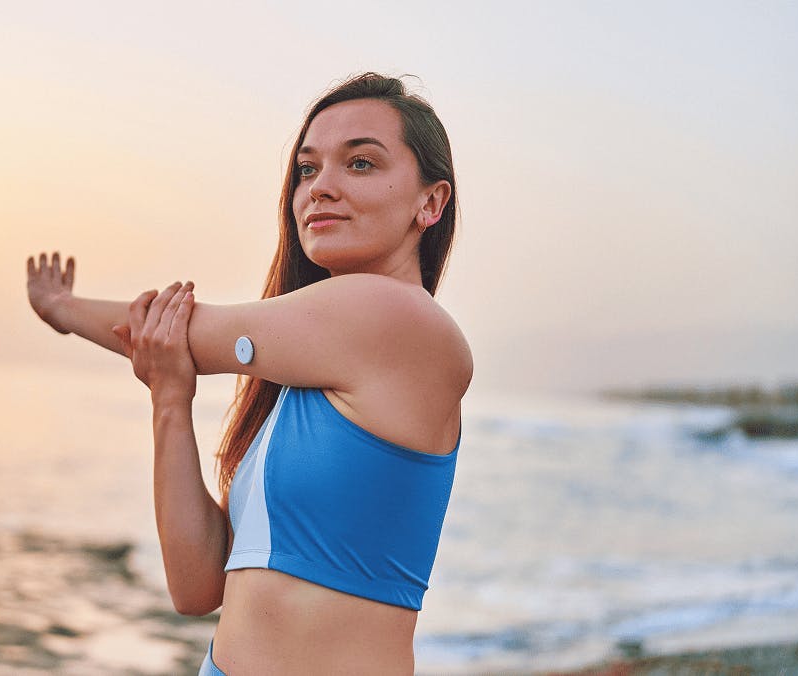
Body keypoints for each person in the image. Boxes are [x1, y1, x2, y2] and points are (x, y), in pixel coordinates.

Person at [26, 72, 471, 675]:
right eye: (307, 170)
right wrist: (169, 400)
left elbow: (184, 330)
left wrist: (64, 309)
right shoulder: (304, 384)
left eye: (360, 164)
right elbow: (195, 588)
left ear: (431, 202)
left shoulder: (398, 319)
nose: (323, 188)